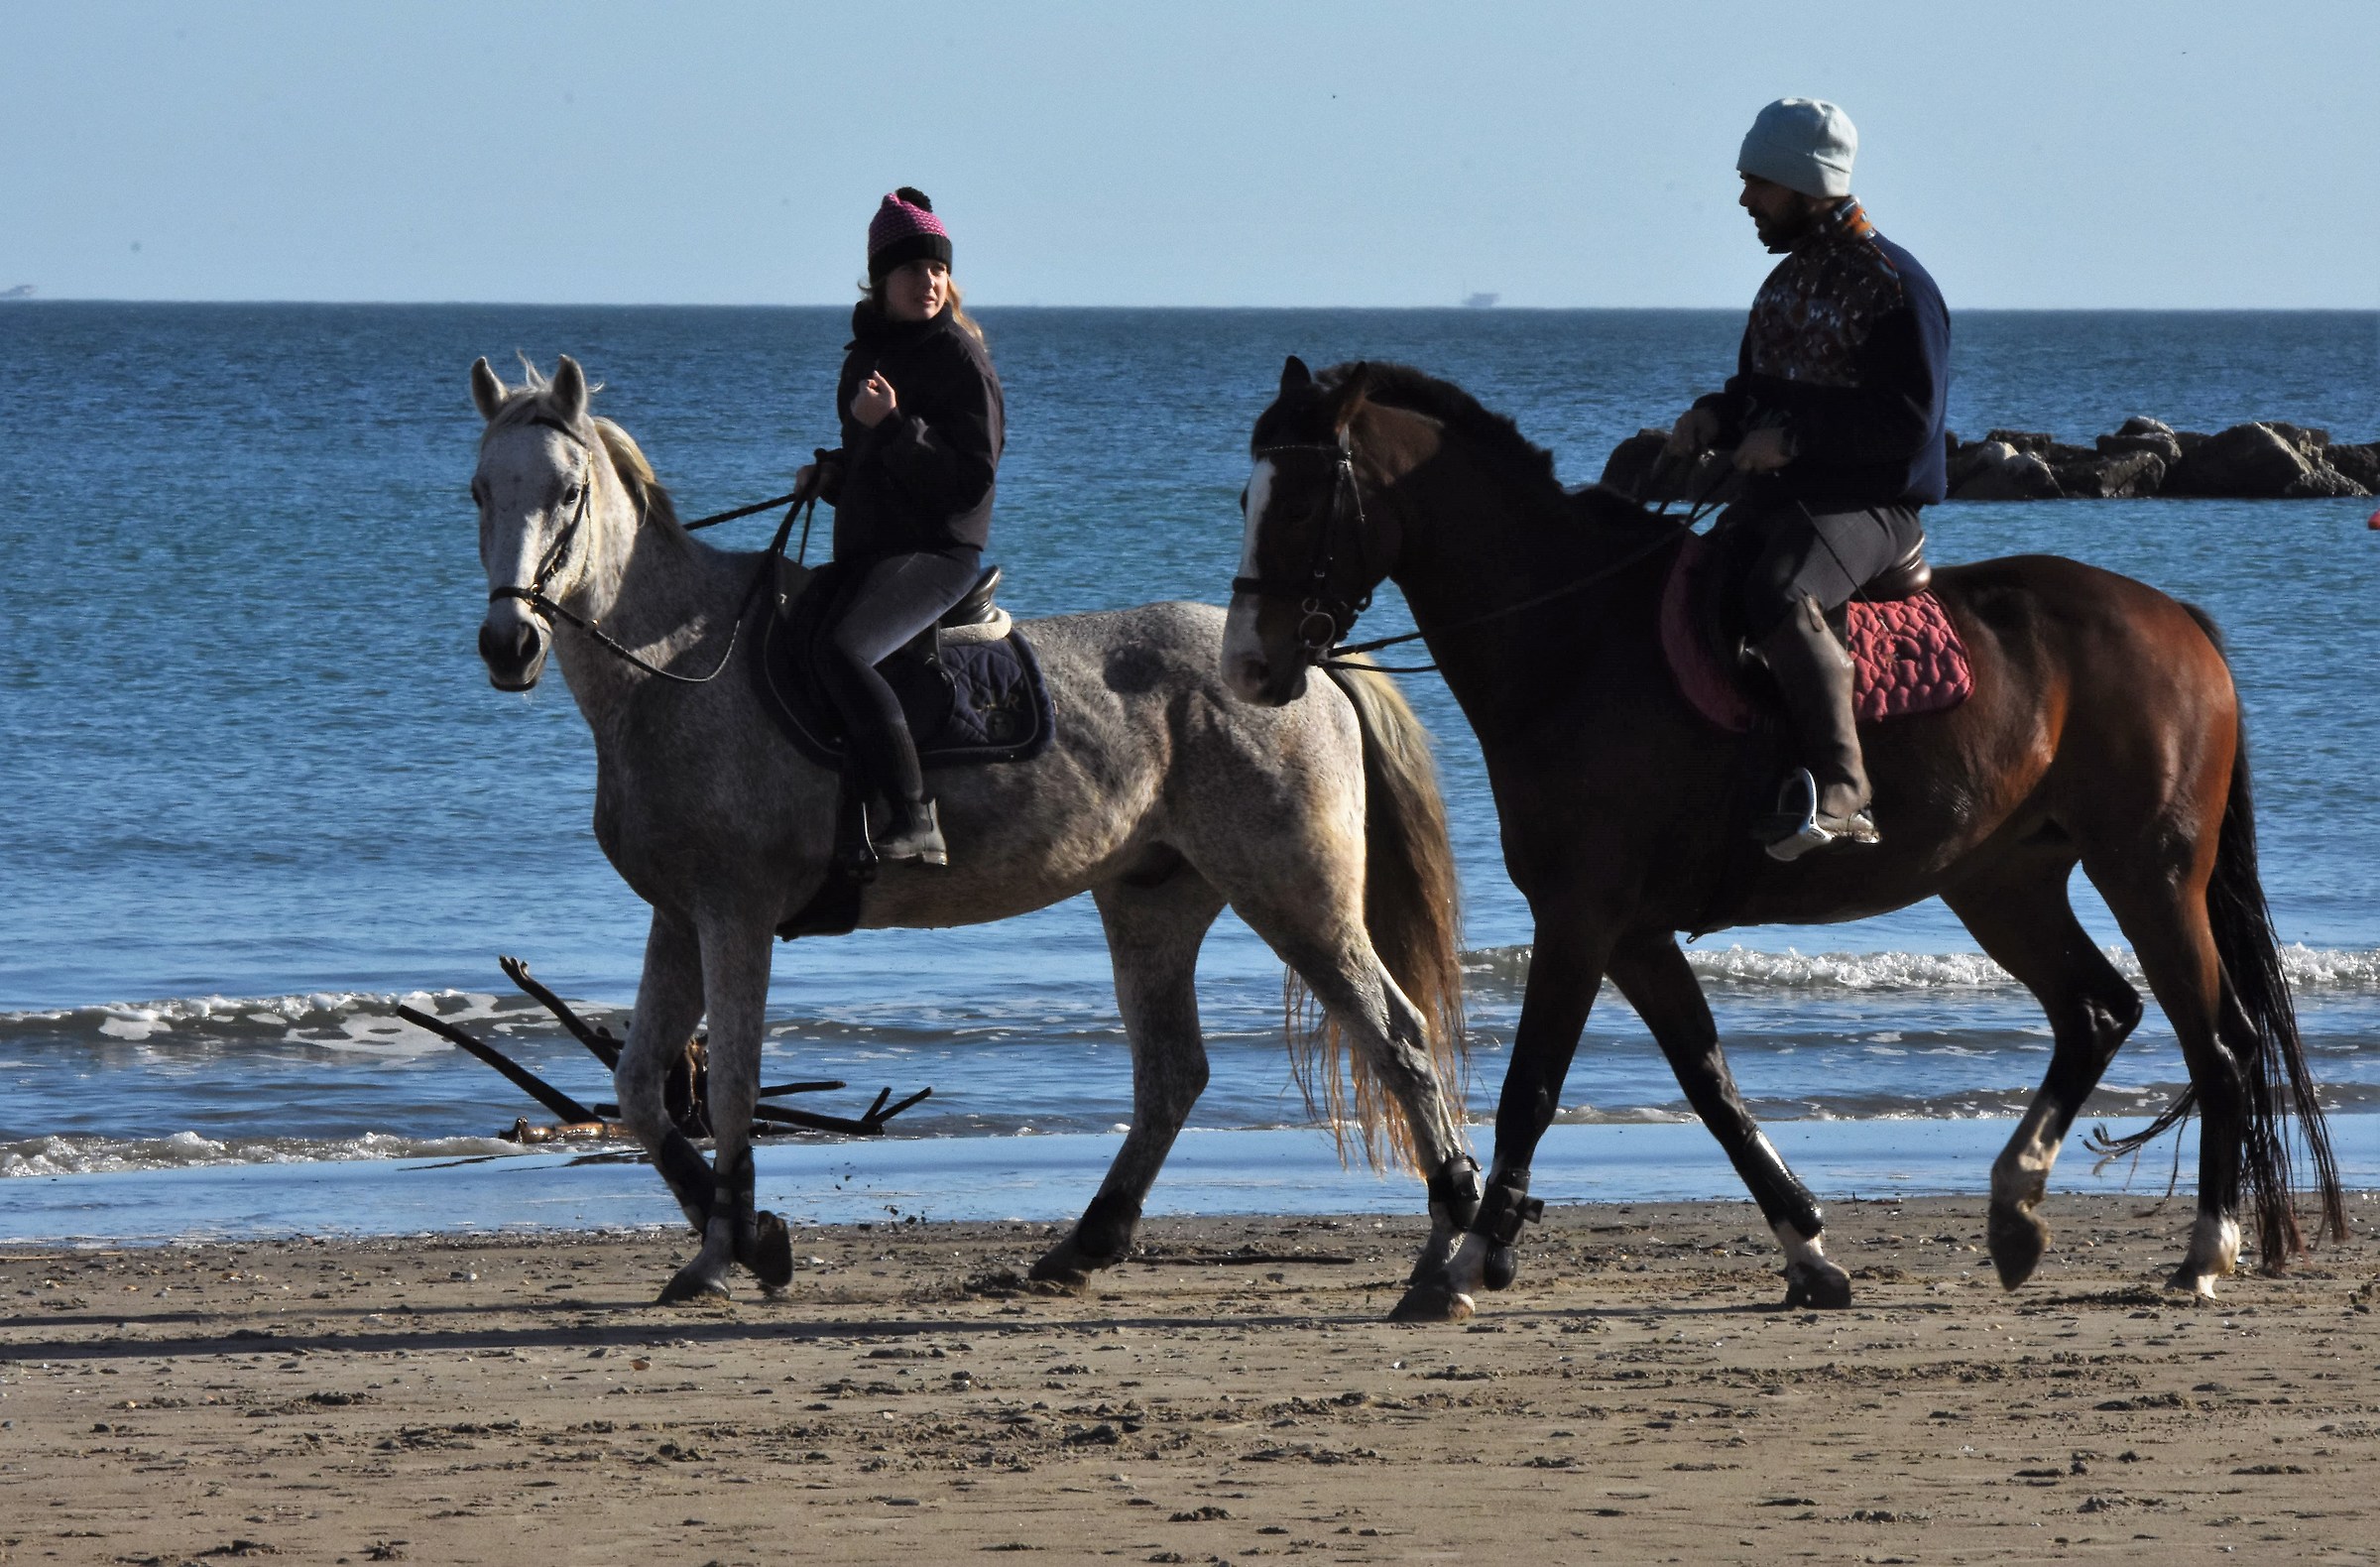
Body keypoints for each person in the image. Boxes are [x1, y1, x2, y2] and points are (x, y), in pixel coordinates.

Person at [1666, 98, 1951, 861]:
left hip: (1874, 506)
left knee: (1780, 593)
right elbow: (1755, 392)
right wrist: (1712, 419)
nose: (1745, 200)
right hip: (1784, 501)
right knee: (1681, 582)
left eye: (1759, 183)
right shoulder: (1784, 285)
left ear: (1805, 182)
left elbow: (1908, 427)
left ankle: (1845, 790)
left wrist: (1789, 441)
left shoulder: (1896, 287)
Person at [794, 188, 1006, 867]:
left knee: (844, 652)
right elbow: (869, 464)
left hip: (941, 553)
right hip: (870, 553)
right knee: (788, 632)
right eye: (914, 270)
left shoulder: (960, 357)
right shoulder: (863, 361)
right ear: (881, 279)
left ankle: (917, 819)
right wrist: (830, 474)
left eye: (938, 270)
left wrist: (893, 425)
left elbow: (970, 480)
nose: (930, 281)